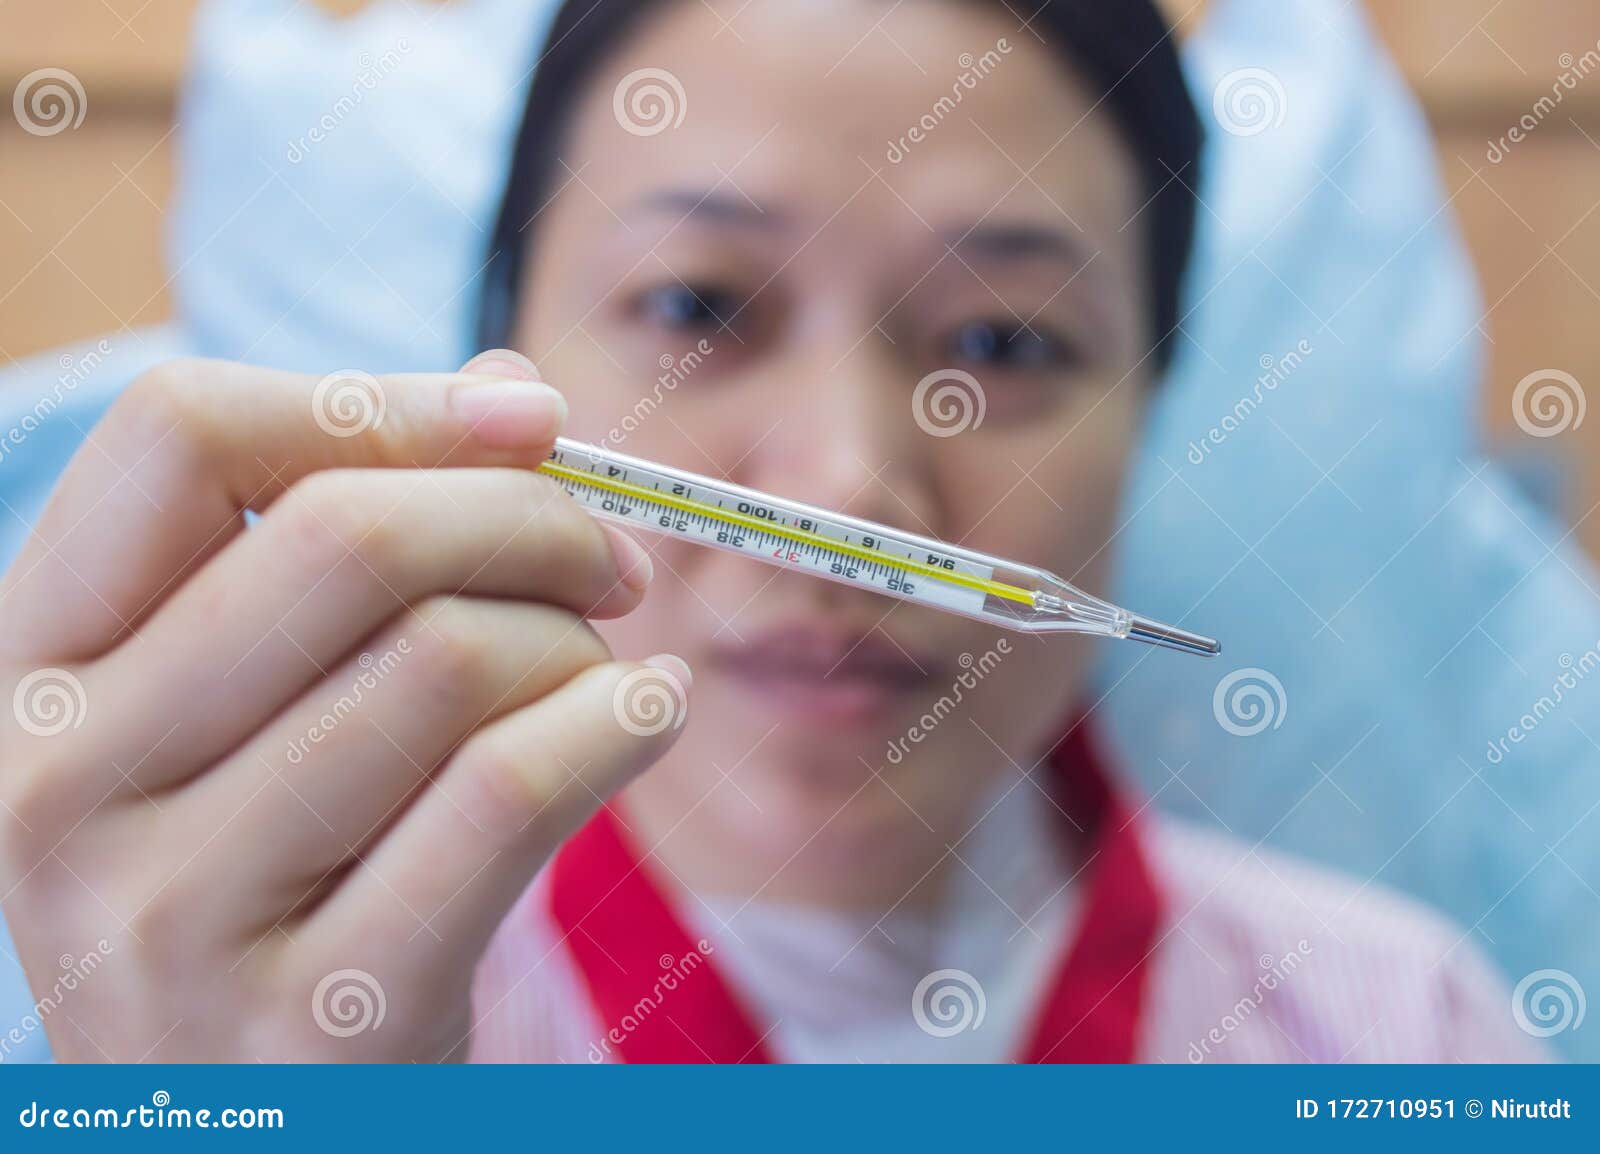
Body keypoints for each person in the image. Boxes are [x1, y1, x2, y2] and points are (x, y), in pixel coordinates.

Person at [0, 0, 1542, 1063]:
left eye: (1006, 342)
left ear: (1149, 410)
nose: (851, 491)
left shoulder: (1404, 1028)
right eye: (696, 308)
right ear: (502, 368)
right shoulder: (245, 985)